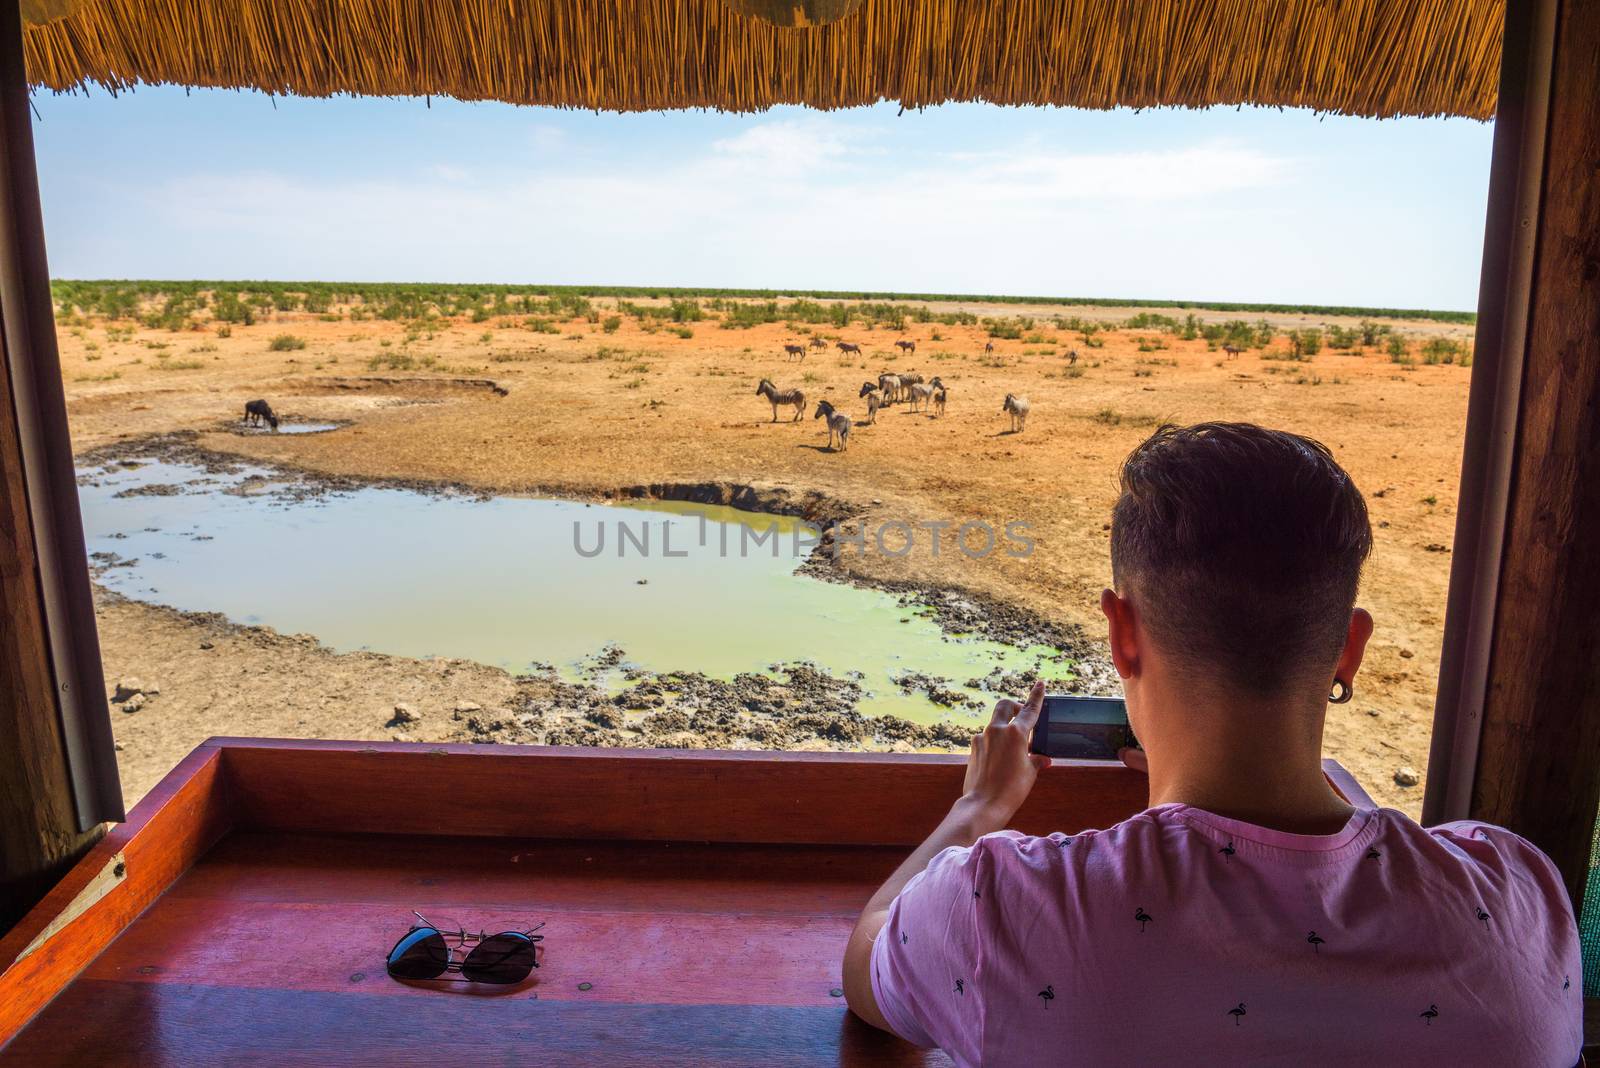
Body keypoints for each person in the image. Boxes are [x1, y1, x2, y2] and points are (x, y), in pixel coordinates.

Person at [841, 422, 1581, 1065]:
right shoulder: (1520, 899)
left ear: (1122, 634)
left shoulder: (999, 907)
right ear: (1349, 650)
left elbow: (865, 965)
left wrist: (977, 806)